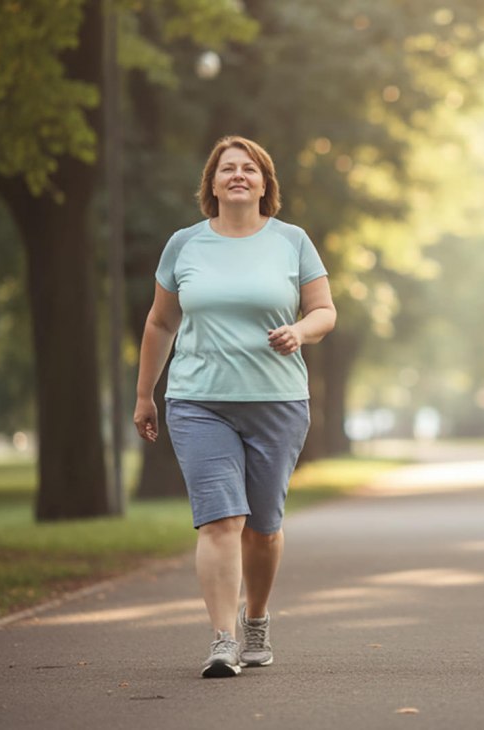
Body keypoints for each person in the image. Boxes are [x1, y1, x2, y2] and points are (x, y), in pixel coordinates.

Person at [133, 135, 336, 678]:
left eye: (250, 168)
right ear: (213, 184)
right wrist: (145, 394)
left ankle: (256, 619)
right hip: (198, 401)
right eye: (227, 168)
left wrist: (300, 331)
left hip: (277, 401)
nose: (239, 175)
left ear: (265, 184)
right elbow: (161, 321)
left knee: (262, 528)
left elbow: (324, 310)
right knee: (221, 521)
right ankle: (222, 639)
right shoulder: (185, 244)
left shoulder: (292, 241)